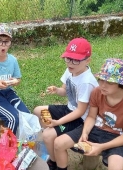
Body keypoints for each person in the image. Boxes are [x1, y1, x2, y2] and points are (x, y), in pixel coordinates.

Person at [54, 58, 123, 170]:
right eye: (101, 79)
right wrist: (85, 133)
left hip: (117, 136)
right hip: (95, 128)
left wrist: (101, 147)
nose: (102, 85)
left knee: (116, 167)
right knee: (58, 143)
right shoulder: (97, 92)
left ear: (122, 84)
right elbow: (91, 116)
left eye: (109, 82)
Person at [33, 37, 99, 169]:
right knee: (38, 111)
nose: (70, 63)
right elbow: (65, 91)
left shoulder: (86, 81)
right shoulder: (71, 69)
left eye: (76, 59)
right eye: (68, 58)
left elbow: (80, 111)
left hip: (80, 119)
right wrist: (57, 90)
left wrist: (58, 122)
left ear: (87, 60)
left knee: (47, 134)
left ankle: (56, 162)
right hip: (69, 109)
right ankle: (53, 156)